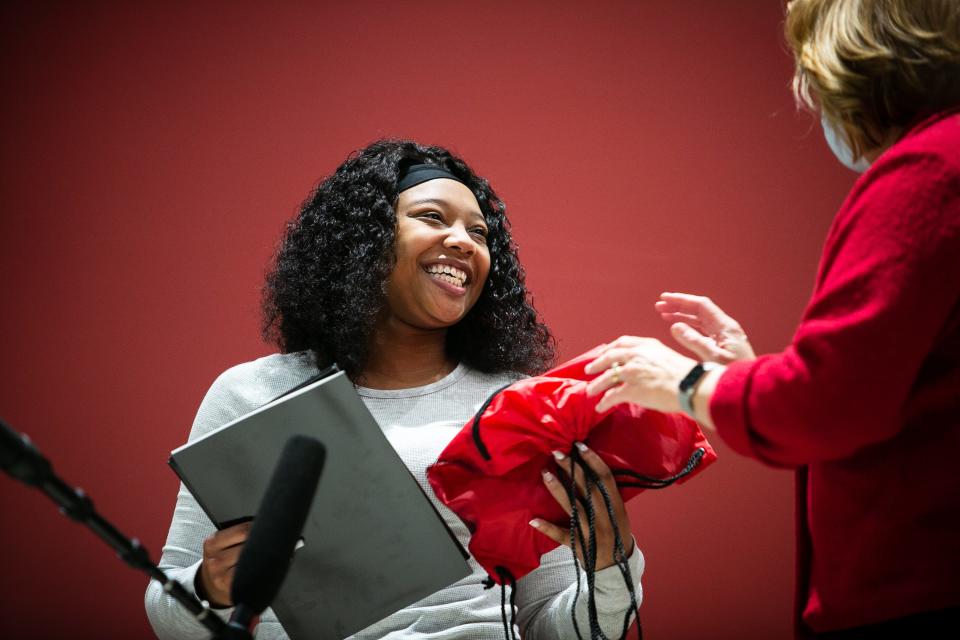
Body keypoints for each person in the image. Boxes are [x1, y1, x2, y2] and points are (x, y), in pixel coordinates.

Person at [144, 140, 643, 639]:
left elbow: (552, 628)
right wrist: (209, 586)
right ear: (365, 240)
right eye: (433, 216)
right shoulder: (252, 394)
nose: (464, 241)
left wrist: (611, 570)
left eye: (478, 232)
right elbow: (166, 612)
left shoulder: (518, 403)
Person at [584, 0, 960, 636]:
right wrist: (754, 374)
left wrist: (687, 382)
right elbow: (882, 388)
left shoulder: (929, 172)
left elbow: (826, 407)